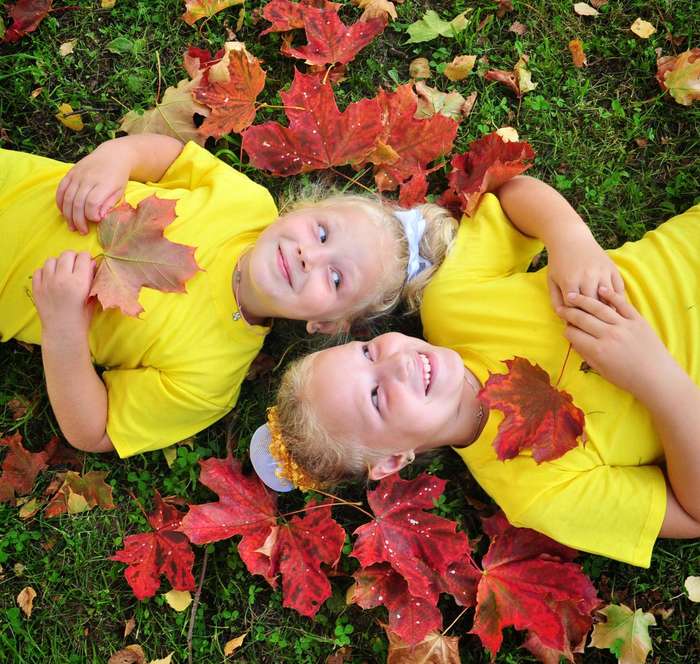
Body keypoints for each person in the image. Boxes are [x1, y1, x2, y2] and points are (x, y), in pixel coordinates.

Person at [261, 176, 700, 567]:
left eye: (369, 353)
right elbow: (692, 512)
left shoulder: (453, 304)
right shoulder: (537, 490)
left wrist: (570, 237)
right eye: (376, 397)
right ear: (393, 461)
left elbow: (512, 199)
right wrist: (659, 380)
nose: (398, 363)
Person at [0, 134, 456, 458]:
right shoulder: (246, 204)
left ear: (328, 324)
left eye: (336, 279)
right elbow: (170, 159)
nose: (307, 257)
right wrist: (115, 156)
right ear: (297, 210)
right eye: (320, 232)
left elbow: (94, 430)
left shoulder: (209, 381)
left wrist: (63, 329)